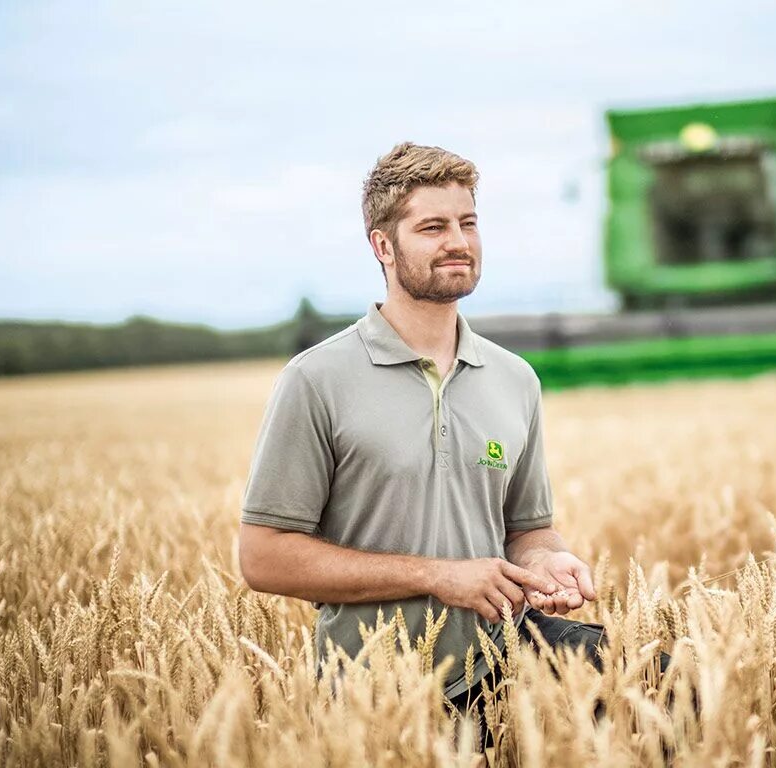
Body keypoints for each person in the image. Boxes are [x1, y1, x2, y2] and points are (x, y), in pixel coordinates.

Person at [237, 142, 664, 747]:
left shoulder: (514, 378)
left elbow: (529, 527)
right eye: (432, 227)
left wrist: (546, 561)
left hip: (504, 667)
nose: (457, 241)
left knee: (672, 684)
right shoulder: (316, 379)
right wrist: (438, 576)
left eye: (467, 223)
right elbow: (263, 556)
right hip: (376, 692)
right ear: (383, 246)